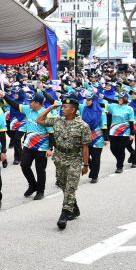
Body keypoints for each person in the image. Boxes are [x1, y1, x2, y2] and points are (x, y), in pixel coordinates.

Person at [37, 95, 90, 230]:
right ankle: (74, 208)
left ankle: (64, 214)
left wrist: (86, 164)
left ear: (73, 110)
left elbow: (85, 146)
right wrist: (51, 107)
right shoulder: (57, 121)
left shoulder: (83, 126)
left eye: (65, 107)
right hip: (59, 158)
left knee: (71, 187)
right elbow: (39, 120)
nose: (62, 109)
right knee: (62, 184)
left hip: (74, 159)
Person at [3, 91, 51, 199]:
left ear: (38, 103)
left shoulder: (46, 113)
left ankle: (40, 191)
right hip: (28, 145)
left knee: (40, 169)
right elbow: (15, 105)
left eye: (32, 102)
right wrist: (4, 96)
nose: (30, 104)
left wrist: (50, 148)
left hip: (41, 147)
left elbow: (51, 132)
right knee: (24, 165)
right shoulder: (28, 109)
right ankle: (33, 185)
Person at [105, 91, 135, 174]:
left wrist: (132, 134)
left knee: (121, 150)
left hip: (124, 132)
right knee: (113, 149)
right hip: (113, 132)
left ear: (125, 99)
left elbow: (131, 122)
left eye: (121, 98)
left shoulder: (129, 109)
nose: (119, 99)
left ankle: (119, 166)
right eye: (118, 98)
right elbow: (102, 104)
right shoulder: (113, 106)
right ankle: (120, 160)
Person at [80, 91, 107, 182]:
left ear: (94, 100)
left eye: (89, 100)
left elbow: (104, 126)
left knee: (96, 157)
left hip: (97, 137)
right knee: (85, 156)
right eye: (86, 100)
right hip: (86, 135)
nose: (87, 101)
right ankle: (93, 169)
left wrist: (106, 139)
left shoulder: (101, 112)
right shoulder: (84, 109)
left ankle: (94, 176)